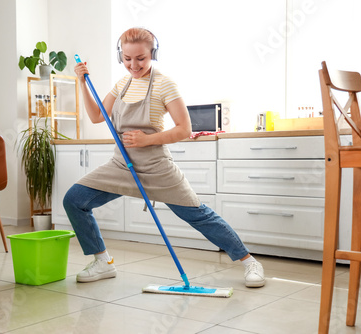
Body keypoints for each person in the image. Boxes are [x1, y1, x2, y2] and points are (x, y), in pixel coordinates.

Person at [64, 27, 265, 288]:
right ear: (120, 56)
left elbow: (184, 128)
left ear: (152, 54)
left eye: (140, 58)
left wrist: (146, 140)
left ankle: (250, 261)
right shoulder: (122, 84)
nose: (133, 65)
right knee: (74, 200)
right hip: (121, 164)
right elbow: (96, 116)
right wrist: (82, 82)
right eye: (127, 59)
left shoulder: (164, 84)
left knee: (198, 215)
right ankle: (102, 261)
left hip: (156, 167)